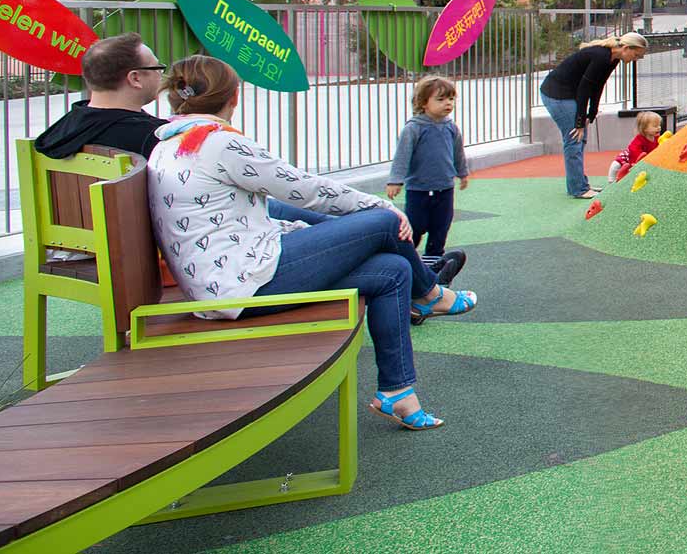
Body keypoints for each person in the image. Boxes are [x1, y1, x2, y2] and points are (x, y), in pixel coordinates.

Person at [146, 56, 475, 431]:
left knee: (393, 271)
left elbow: (268, 205)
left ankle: (397, 393)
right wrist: (380, 206)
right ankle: (432, 294)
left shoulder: (171, 143)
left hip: (224, 281)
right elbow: (304, 189)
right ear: (234, 97)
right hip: (242, 285)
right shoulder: (218, 144)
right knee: (384, 223)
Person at [542, 31, 649, 200]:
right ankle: (579, 188)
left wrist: (592, 112)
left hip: (570, 94)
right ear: (626, 48)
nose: (636, 59)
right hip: (557, 94)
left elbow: (598, 84)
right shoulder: (600, 56)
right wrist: (579, 121)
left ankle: (578, 185)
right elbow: (584, 87)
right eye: (636, 55)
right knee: (574, 139)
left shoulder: (613, 59)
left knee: (579, 139)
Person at [36, 33, 166, 160]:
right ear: (135, 78)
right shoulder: (156, 137)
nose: (161, 74)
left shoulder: (59, 134)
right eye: (157, 68)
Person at [385, 75, 470, 264]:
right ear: (424, 102)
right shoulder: (414, 128)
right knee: (415, 226)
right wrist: (395, 180)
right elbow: (402, 155)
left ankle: (434, 263)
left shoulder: (451, 127)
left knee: (441, 226)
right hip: (419, 190)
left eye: (451, 99)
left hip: (445, 188)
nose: (448, 103)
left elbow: (458, 153)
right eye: (440, 99)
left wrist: (462, 173)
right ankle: (405, 260)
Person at [611, 111, 665, 182]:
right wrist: (638, 160)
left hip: (646, 160)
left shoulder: (658, 138)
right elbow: (634, 150)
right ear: (644, 128)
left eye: (659, 125)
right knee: (616, 165)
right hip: (630, 157)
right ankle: (611, 180)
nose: (659, 128)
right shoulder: (639, 139)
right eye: (655, 126)